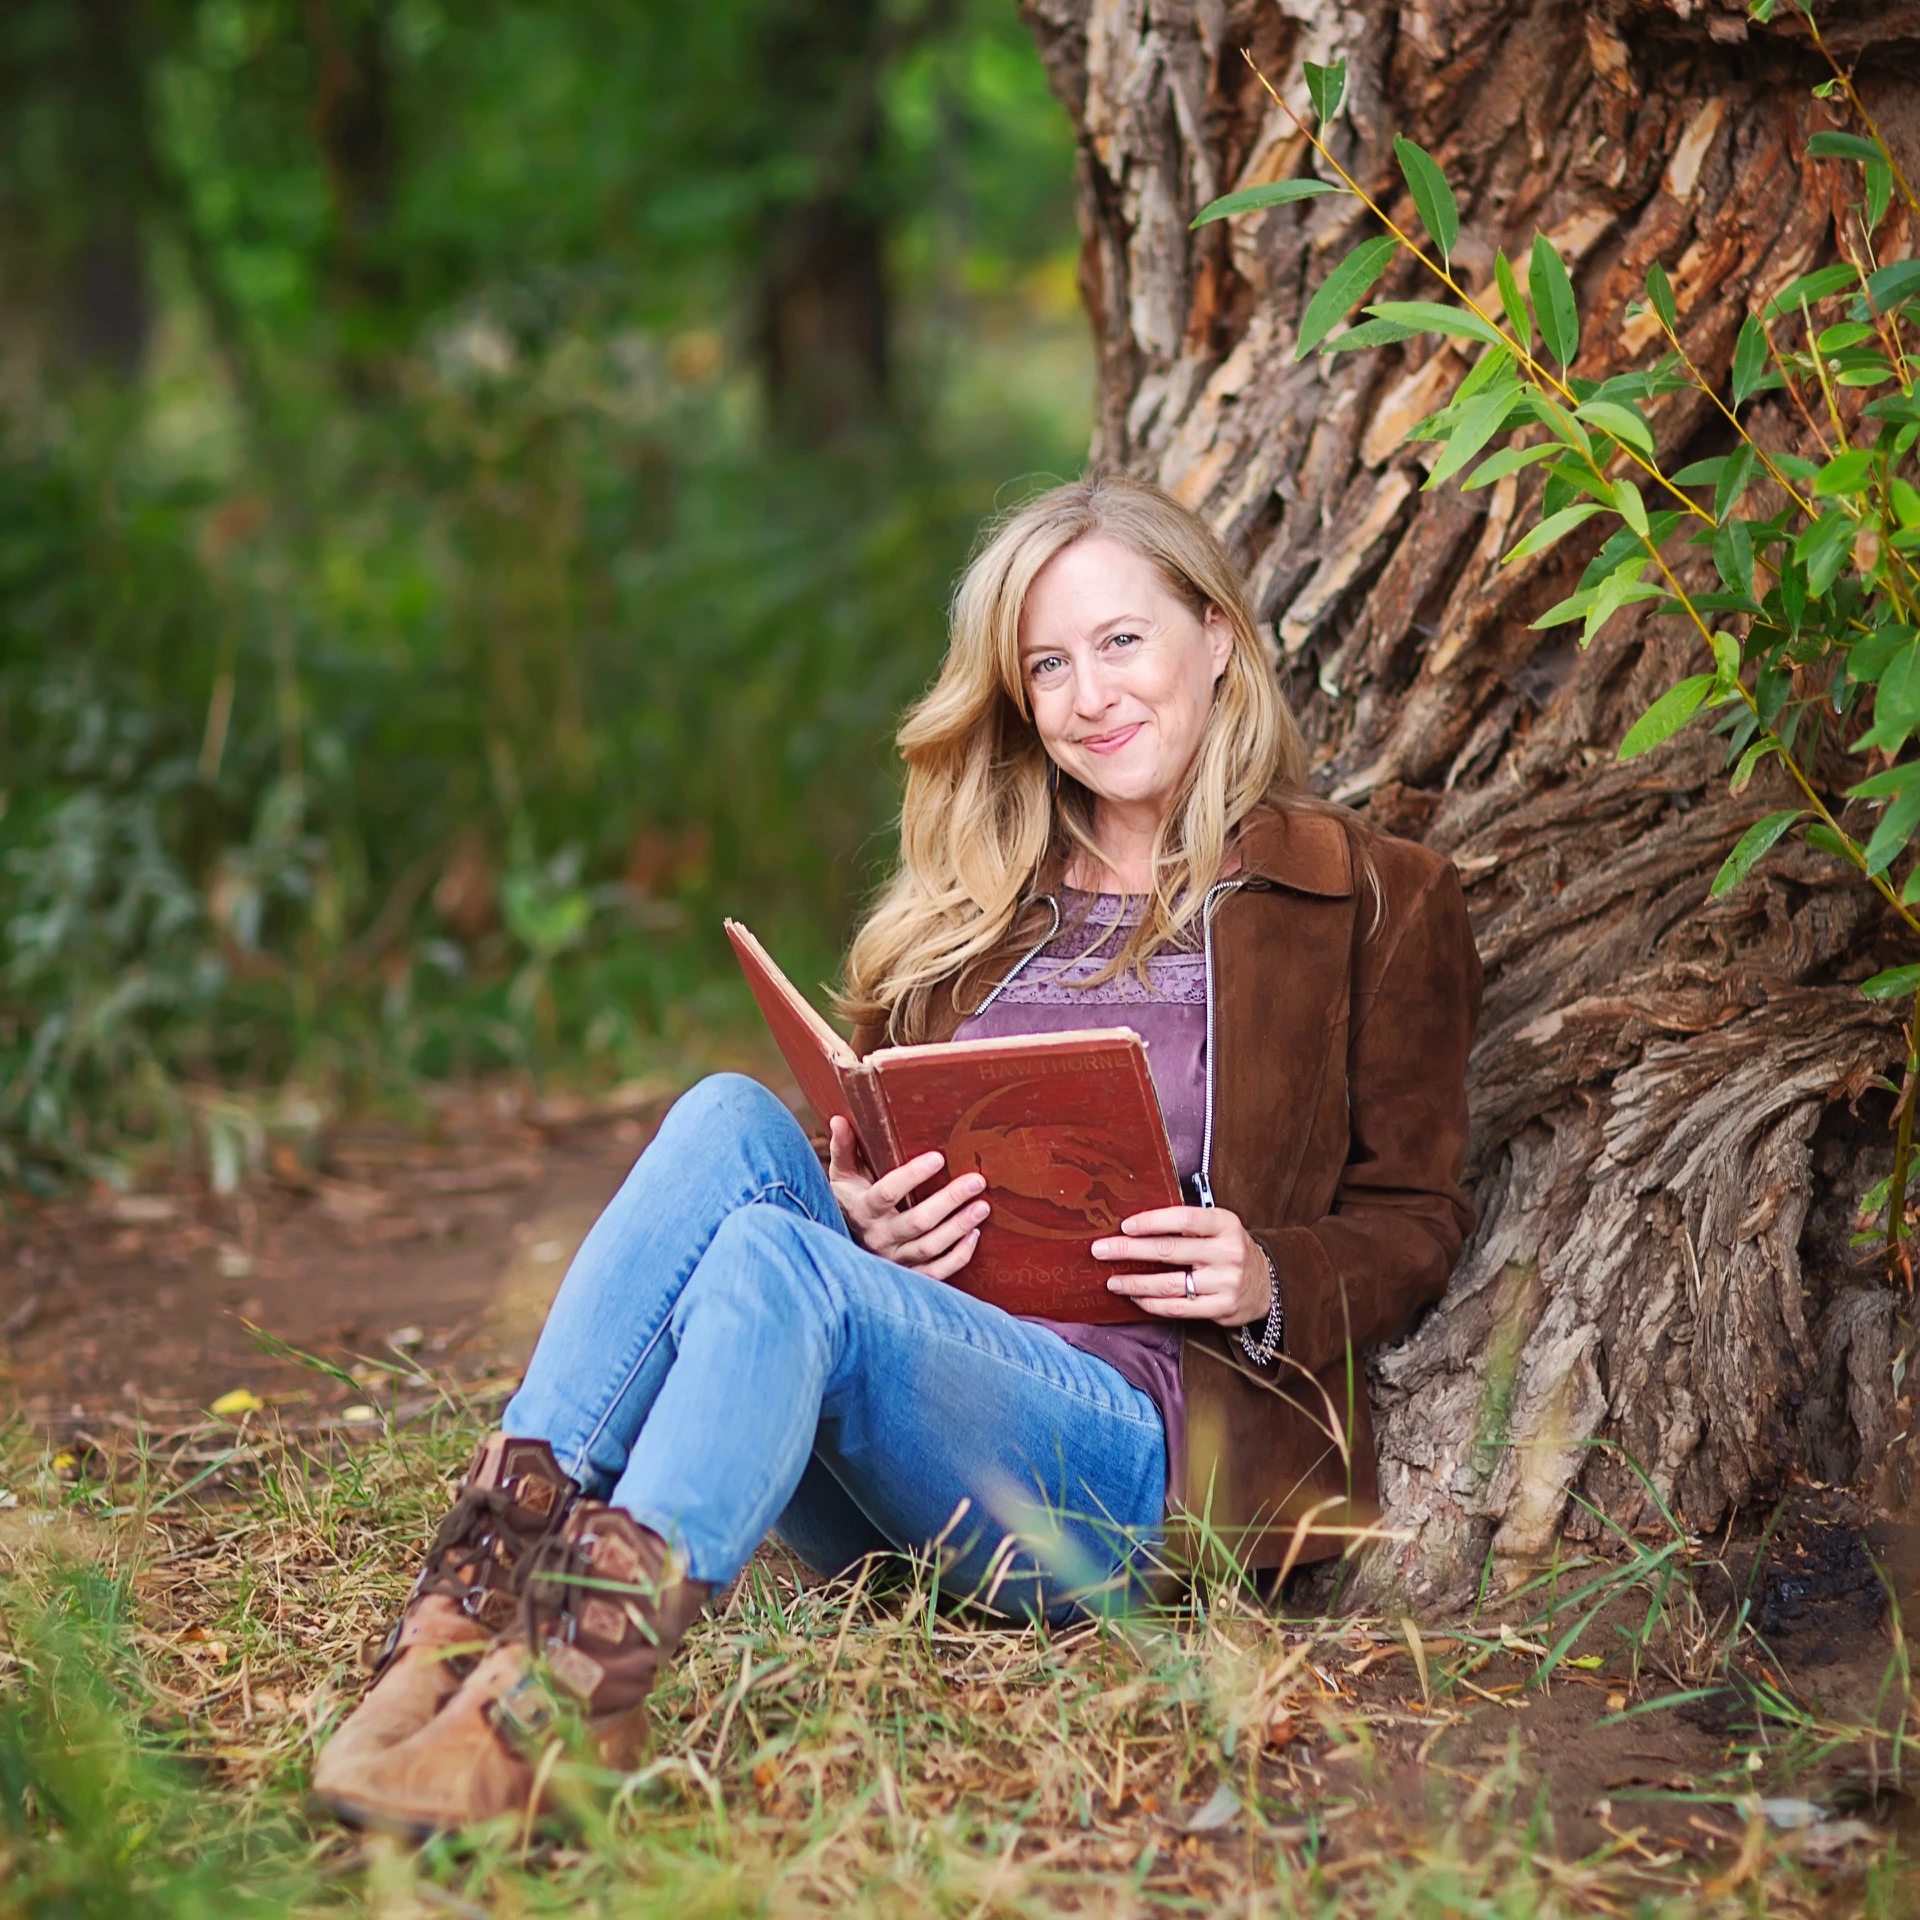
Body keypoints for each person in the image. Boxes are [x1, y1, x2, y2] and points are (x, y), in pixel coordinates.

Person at [313, 471, 1481, 1833]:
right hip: (890, 1444)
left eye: (1121, 643)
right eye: (1048, 666)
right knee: (725, 1123)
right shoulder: (976, 906)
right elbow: (862, 1151)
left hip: (1135, 1461)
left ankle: (574, 1699)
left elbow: (1417, 1216)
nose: (1090, 695)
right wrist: (872, 1220)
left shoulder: (1373, 897)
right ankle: (465, 1614)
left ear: (1215, 636)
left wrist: (1264, 1272)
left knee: (772, 1263)